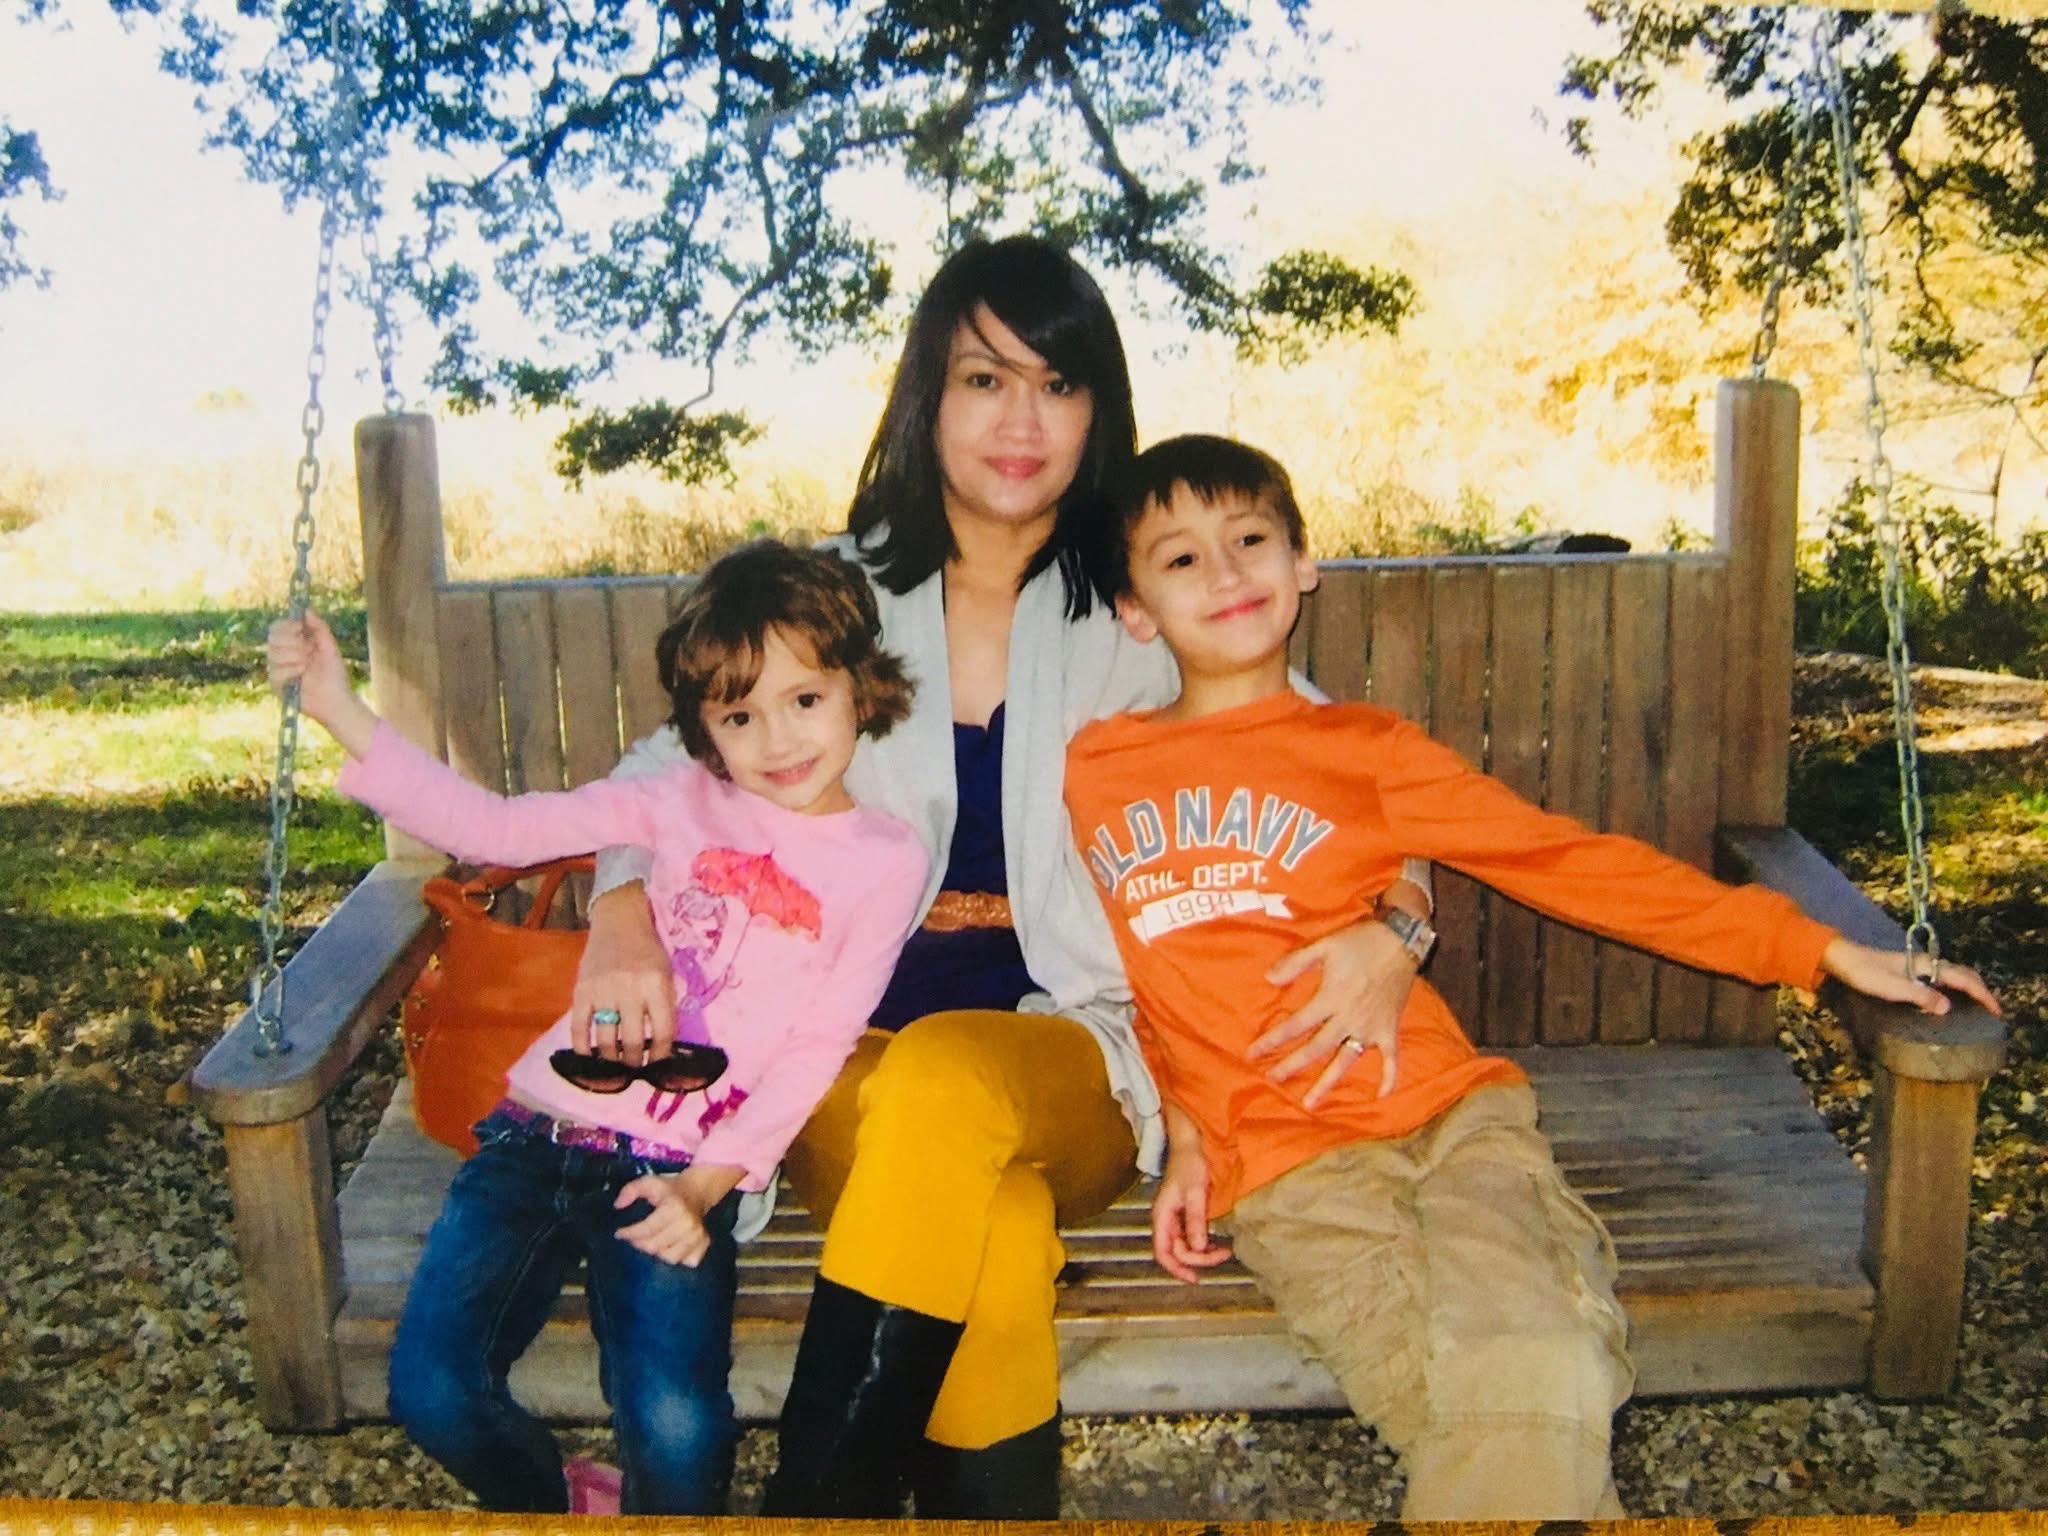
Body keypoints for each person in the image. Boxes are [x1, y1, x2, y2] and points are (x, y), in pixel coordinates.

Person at [573, 236, 1438, 1518]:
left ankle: (815, 1510)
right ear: (929, 395)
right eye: (984, 379)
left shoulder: (1145, 601)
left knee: (949, 1084)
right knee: (999, 1227)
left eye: (1058, 382)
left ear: (1098, 409)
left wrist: (1396, 925)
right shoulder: (838, 593)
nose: (1022, 421)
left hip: (1073, 1051)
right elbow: (662, 766)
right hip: (836, 1048)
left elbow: (1363, 782)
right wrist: (617, 912)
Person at [1062, 432, 2005, 1520]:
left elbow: (1565, 863)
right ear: (1135, 611)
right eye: (1180, 558)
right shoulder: (1101, 770)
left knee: (1534, 1354)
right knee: (1510, 1387)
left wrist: (1817, 948)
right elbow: (1156, 972)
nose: (1225, 572)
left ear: (1302, 564)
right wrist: (1187, 1128)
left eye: (1248, 539)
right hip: (1284, 1169)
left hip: (1452, 1117)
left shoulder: (1368, 750)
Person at [264, 541, 929, 1515]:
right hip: (537, 1135)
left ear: (858, 690)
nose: (778, 740)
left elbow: (815, 1049)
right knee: (433, 1390)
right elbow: (493, 829)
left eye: (804, 699)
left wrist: (703, 1189)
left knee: (678, 1431)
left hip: (673, 1170)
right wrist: (338, 708)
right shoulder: (673, 800)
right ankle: (566, 1504)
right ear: (703, 728)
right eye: (739, 715)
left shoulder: (883, 859)